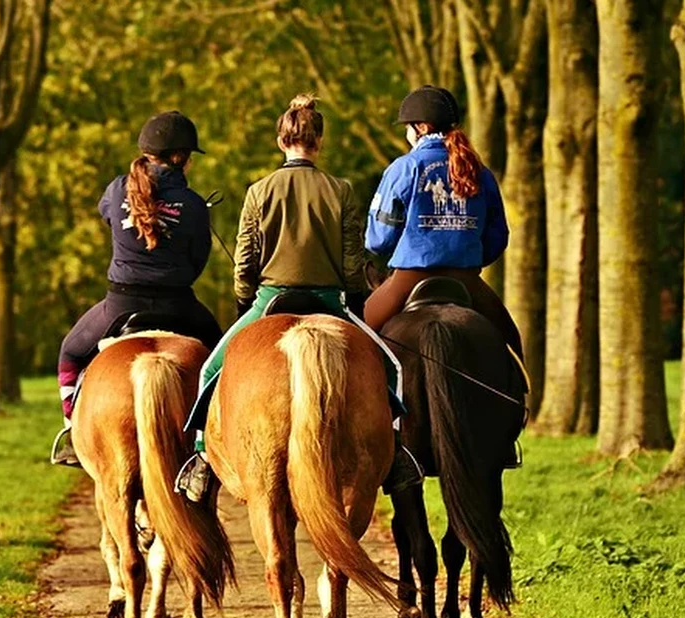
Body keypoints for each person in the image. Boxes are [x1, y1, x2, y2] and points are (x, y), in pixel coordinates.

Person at [175, 93, 423, 501]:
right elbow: (351, 258)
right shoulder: (339, 189)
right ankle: (395, 454)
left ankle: (202, 460)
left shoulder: (259, 190)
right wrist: (355, 298)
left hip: (270, 299)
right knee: (391, 367)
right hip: (330, 300)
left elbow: (245, 259)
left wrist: (245, 301)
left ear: (281, 141)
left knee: (209, 372)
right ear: (319, 142)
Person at [51, 111, 223, 467]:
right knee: (223, 360)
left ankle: (71, 431)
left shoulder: (117, 189)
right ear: (179, 158)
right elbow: (198, 260)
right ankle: (213, 441)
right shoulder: (192, 204)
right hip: (179, 306)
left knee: (70, 353)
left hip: (120, 303)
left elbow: (107, 216)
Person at [364, 86, 524, 359]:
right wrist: (467, 254)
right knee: (512, 346)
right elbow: (498, 236)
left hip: (410, 278)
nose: (406, 134)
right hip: (466, 279)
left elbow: (379, 239)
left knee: (358, 338)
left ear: (422, 127)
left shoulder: (405, 167)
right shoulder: (480, 172)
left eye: (408, 127)